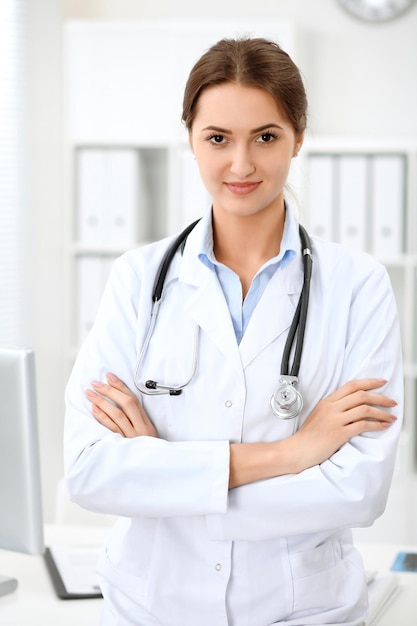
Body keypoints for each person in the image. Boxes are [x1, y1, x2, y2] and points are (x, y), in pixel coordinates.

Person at [64, 37, 403, 626]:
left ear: (298, 137)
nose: (241, 165)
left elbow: (358, 491)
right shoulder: (136, 279)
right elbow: (90, 472)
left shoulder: (359, 286)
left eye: (265, 137)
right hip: (152, 606)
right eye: (217, 138)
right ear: (191, 141)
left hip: (304, 611)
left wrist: (162, 472)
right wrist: (295, 453)